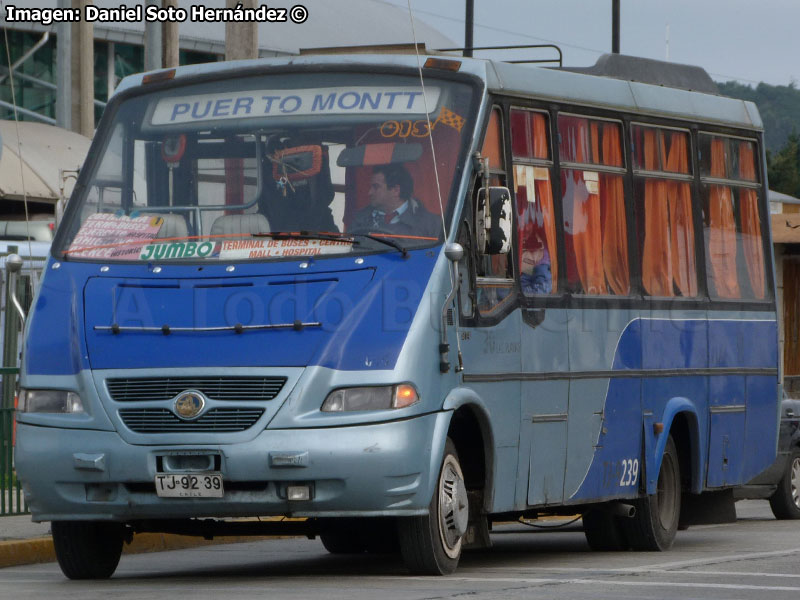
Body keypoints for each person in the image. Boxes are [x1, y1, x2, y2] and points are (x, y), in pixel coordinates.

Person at [348, 164, 441, 239]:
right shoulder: (360, 219)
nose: (370, 192)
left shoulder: (431, 224)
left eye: (376, 187)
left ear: (396, 190)